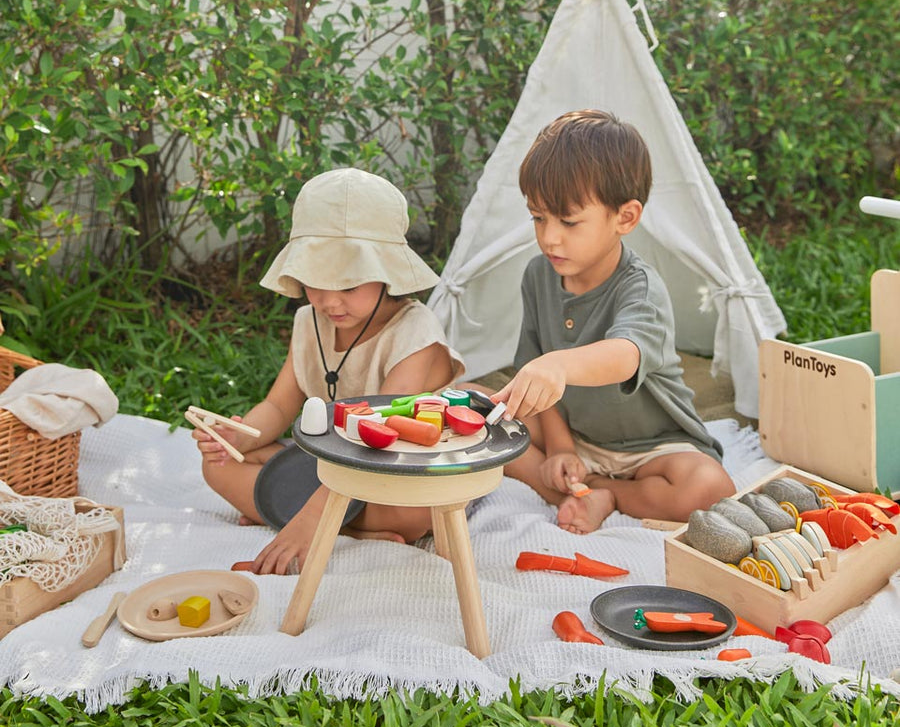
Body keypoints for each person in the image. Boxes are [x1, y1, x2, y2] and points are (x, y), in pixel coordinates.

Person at [193, 167, 464, 574]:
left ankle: (314, 517)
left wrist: (310, 521)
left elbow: (383, 442)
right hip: (336, 464)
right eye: (315, 283)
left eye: (349, 286)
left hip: (397, 472)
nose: (330, 301)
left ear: (386, 274)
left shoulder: (413, 333)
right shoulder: (308, 322)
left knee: (416, 515)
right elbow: (278, 406)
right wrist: (240, 436)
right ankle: (350, 528)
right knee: (218, 466)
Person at [494, 110, 735, 533]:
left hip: (651, 449)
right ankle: (574, 485)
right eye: (538, 217)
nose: (550, 237)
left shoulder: (640, 287)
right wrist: (559, 449)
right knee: (478, 410)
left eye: (568, 221)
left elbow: (625, 354)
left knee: (708, 487)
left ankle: (605, 494)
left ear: (625, 217)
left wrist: (559, 365)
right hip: (576, 436)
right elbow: (535, 379)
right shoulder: (538, 275)